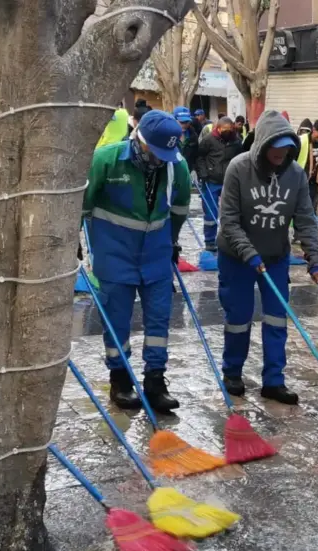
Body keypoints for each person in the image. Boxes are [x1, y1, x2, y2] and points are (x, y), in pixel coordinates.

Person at [84, 110, 191, 413]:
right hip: (114, 255)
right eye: (155, 152)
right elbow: (82, 205)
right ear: (139, 140)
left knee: (158, 319)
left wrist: (172, 242)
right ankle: (120, 380)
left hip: (156, 256)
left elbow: (180, 209)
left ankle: (155, 381)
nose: (160, 160)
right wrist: (77, 246)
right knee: (116, 321)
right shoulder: (106, 160)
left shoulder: (176, 166)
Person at [216, 110, 318, 405]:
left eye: (287, 145)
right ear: (262, 143)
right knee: (238, 318)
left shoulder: (296, 174)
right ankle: (233, 371)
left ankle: (274, 380)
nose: (282, 151)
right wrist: (249, 253)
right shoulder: (238, 168)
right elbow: (229, 221)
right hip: (237, 258)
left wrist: (314, 257)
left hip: (275, 257)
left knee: (277, 318)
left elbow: (304, 218)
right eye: (276, 145)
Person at [196, 116, 242, 251]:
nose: (228, 132)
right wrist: (202, 172)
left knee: (233, 212)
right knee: (210, 213)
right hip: (211, 180)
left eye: (230, 129)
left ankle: (231, 240)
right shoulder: (208, 140)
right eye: (225, 130)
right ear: (218, 128)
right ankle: (210, 241)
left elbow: (241, 159)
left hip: (230, 181)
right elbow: (200, 157)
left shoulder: (236, 142)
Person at [298, 118, 318, 207]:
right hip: (300, 182)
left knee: (311, 210)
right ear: (314, 129)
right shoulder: (301, 140)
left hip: (314, 183)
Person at [172, 106, 200, 175]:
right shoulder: (168, 136)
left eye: (187, 121)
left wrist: (194, 169)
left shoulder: (193, 136)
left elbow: (196, 156)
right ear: (174, 120)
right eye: (182, 122)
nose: (185, 124)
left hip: (187, 173)